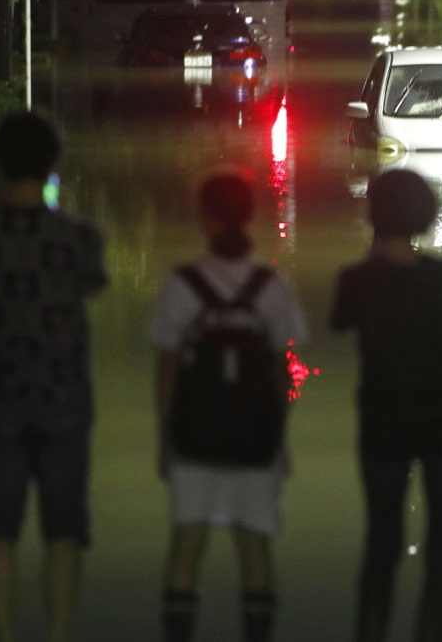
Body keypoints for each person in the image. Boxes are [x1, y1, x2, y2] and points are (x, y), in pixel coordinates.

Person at [0, 110, 108, 642]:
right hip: (64, 396)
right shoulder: (79, 238)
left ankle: (2, 633)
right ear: (54, 162)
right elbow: (93, 285)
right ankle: (59, 634)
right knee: (64, 530)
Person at [153, 168, 307, 642]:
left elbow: (166, 371)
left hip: (194, 436)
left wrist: (166, 438)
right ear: (250, 215)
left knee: (187, 543)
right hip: (255, 437)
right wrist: (280, 434)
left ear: (203, 217)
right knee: (255, 547)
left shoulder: (183, 285)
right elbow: (287, 371)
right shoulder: (271, 287)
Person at [331, 169, 442, 642]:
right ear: (427, 215)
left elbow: (345, 324)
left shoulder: (355, 281)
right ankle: (433, 632)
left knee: (381, 541)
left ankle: (371, 630)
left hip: (383, 420)